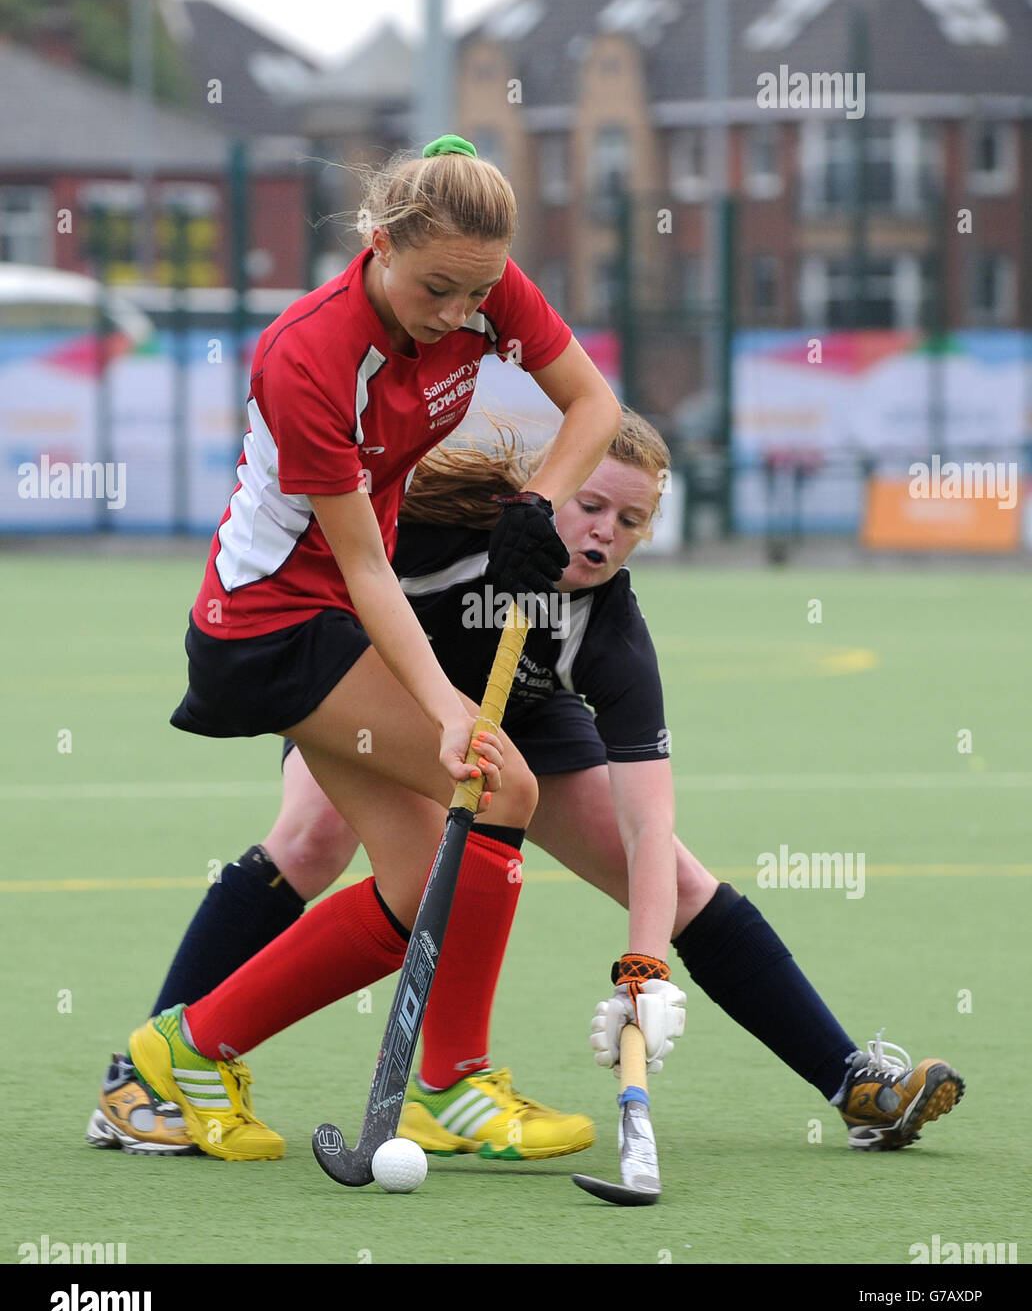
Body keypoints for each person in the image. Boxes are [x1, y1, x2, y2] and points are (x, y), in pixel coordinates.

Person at [90, 410, 963, 1162]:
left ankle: (854, 1084)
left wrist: (645, 971)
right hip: (373, 689)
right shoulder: (448, 528)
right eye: (590, 504)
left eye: (630, 521)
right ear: (556, 487)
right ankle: (147, 1077)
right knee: (315, 837)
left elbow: (647, 825)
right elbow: (333, 558)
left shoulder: (612, 631)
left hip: (526, 719)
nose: (602, 534)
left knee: (678, 883)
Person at [88, 133, 625, 1162]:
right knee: (501, 785)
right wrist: (445, 708)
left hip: (331, 615)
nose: (457, 316)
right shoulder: (310, 353)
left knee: (424, 874)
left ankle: (183, 1053)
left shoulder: (483, 282)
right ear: (376, 241)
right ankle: (453, 1085)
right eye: (435, 291)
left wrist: (538, 505)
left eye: (475, 297)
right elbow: (365, 570)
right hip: (272, 624)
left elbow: (596, 405)